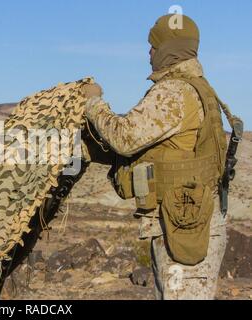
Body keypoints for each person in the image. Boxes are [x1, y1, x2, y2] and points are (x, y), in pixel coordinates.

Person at [83, 14, 238, 299]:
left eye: (154, 46)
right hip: (182, 224)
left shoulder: (174, 92)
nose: (149, 53)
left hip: (185, 230)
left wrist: (92, 102)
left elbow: (124, 137)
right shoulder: (196, 87)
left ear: (169, 49)